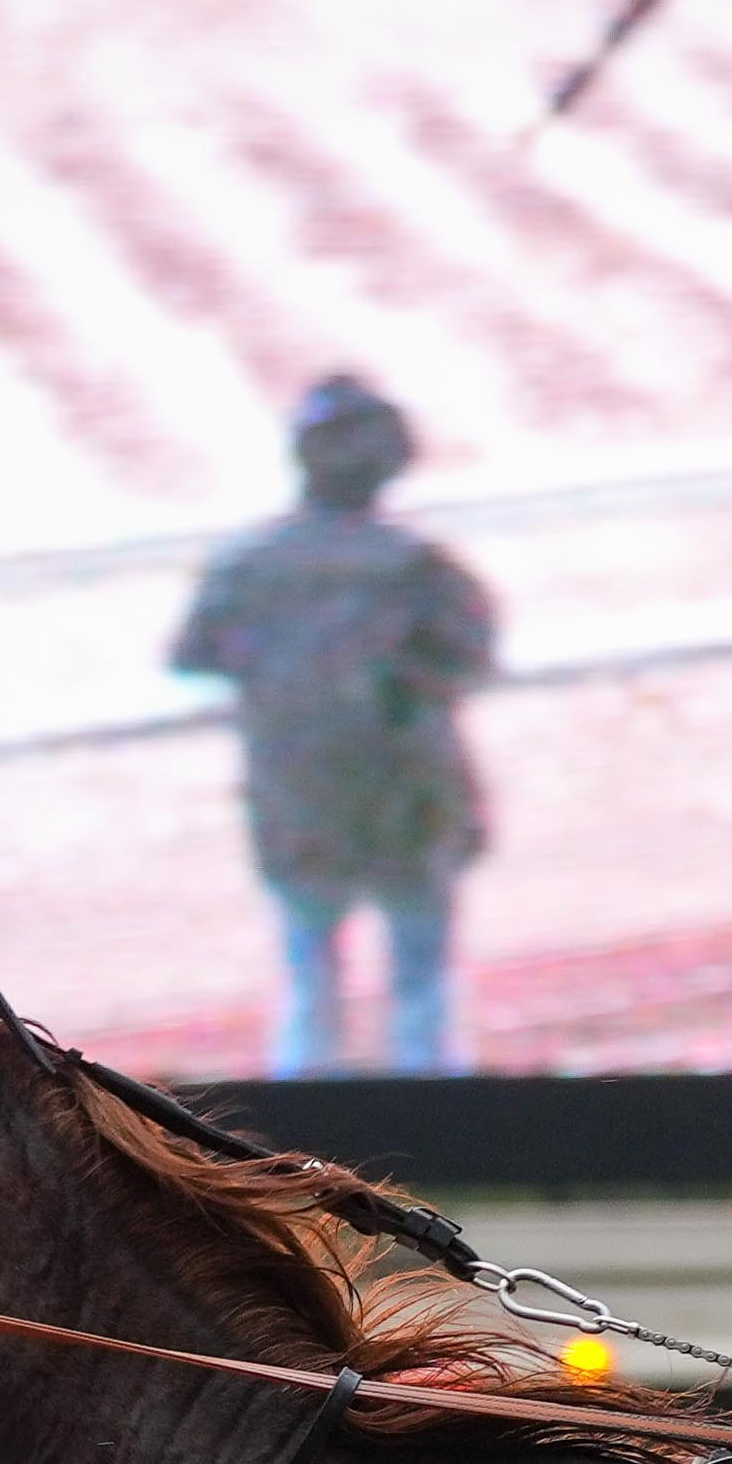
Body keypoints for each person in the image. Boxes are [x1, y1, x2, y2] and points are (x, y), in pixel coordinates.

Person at [166, 373, 498, 1077]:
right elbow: (472, 655)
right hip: (408, 803)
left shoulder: (247, 566)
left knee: (311, 982)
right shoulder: (415, 567)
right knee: (420, 989)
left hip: (299, 804)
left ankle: (301, 1148)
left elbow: (193, 653)